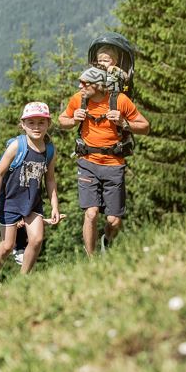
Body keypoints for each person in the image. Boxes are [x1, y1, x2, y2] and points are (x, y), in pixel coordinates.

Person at [58, 67, 150, 255]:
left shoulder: (120, 101)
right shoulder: (79, 99)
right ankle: (91, 260)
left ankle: (106, 242)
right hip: (87, 163)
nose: (80, 86)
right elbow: (62, 121)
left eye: (85, 83)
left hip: (114, 165)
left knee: (113, 221)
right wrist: (73, 120)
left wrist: (124, 123)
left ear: (99, 86)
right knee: (90, 213)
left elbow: (145, 127)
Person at [0, 102, 60, 283]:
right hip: (10, 201)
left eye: (41, 122)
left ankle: (23, 280)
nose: (36, 127)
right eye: (31, 123)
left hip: (33, 202)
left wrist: (54, 206)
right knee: (7, 246)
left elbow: (49, 179)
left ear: (48, 124)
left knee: (37, 239)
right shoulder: (17, 146)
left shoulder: (50, 150)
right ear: (23, 125)